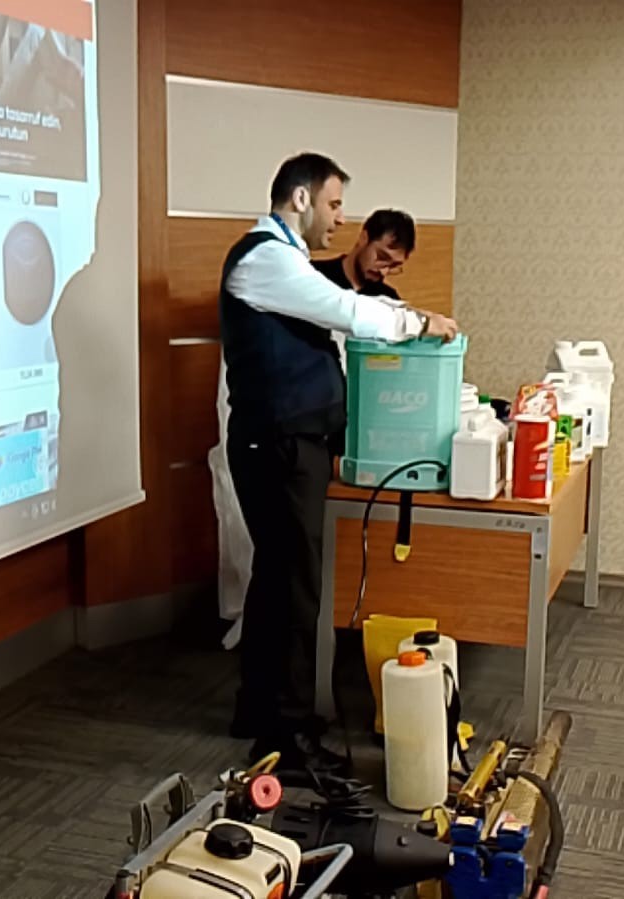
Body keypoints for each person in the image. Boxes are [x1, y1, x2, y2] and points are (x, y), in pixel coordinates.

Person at [221, 152, 457, 774]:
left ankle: (260, 710)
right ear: (300, 199)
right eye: (333, 204)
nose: (339, 217)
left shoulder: (283, 259)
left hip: (286, 441)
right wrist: (418, 321)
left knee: (277, 579)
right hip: (279, 443)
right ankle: (288, 737)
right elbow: (350, 312)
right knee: (296, 586)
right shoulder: (266, 258)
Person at [312, 208, 416, 299]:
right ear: (364, 238)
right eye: (382, 257)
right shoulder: (313, 274)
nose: (384, 272)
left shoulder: (389, 300)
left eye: (393, 266)